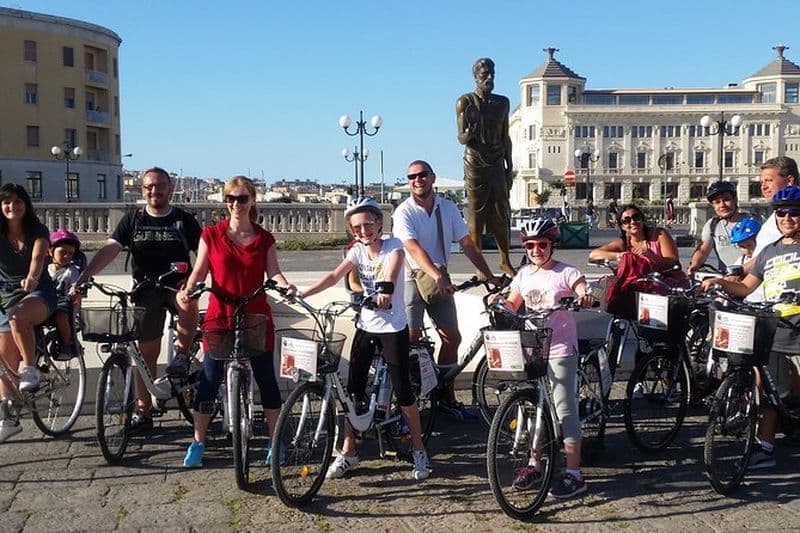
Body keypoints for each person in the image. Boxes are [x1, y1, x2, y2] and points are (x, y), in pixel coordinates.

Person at [298, 197, 431, 481]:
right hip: (366, 324)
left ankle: (419, 449)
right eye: (357, 227)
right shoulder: (358, 251)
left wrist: (386, 290)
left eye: (368, 224)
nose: (363, 231)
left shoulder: (393, 246)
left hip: (392, 327)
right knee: (352, 390)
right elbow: (336, 275)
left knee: (403, 390)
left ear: (379, 223)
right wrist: (303, 294)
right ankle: (348, 451)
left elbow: (392, 269)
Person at [179, 176, 296, 468]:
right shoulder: (211, 235)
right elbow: (199, 272)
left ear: (253, 200)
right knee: (209, 378)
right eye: (230, 198)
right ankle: (198, 442)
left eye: (242, 199)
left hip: (255, 313)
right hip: (221, 313)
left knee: (266, 379)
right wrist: (188, 291)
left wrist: (286, 286)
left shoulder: (264, 238)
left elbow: (274, 273)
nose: (236, 204)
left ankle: (274, 441)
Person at [74, 167, 202, 432]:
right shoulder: (133, 220)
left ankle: (181, 356)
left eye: (160, 186)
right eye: (149, 187)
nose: (155, 191)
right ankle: (143, 411)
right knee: (146, 355)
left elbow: (203, 254)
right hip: (145, 290)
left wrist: (193, 283)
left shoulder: (184, 220)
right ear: (142, 190)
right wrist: (86, 274)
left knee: (188, 303)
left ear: (170, 188)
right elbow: (111, 249)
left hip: (177, 286)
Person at [492, 218, 594, 498]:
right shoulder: (524, 274)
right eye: (529, 245)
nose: (536, 249)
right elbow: (513, 304)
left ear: (552, 245)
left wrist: (584, 296)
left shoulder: (565, 272)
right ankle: (535, 464)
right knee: (533, 407)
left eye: (542, 244)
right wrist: (499, 302)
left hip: (560, 349)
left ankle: (575, 473)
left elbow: (583, 288)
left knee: (564, 408)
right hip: (532, 348)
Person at [701, 185, 800, 467]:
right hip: (777, 332)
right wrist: (720, 283)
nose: (787, 218)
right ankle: (765, 447)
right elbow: (745, 287)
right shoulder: (769, 251)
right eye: (781, 213)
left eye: (794, 212)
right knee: (771, 395)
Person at [393, 160, 499, 421]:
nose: (417, 180)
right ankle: (406, 399)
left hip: (439, 278)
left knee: (452, 337)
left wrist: (487, 273)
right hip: (410, 278)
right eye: (412, 176)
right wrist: (438, 275)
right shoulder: (404, 212)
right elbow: (413, 247)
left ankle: (445, 396)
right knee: (410, 339)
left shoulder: (447, 207)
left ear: (432, 178)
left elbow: (466, 242)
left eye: (422, 175)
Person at [0, 183, 57, 442]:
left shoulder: (38, 230)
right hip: (5, 296)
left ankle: (31, 367)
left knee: (18, 317)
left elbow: (37, 259)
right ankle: (9, 418)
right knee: (4, 362)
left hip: (38, 293)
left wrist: (32, 278)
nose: (13, 206)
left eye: (18, 201)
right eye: (7, 202)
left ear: (26, 204)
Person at [456, 58, 515, 276]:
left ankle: (505, 260)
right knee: (475, 215)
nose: (489, 78)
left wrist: (510, 164)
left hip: (497, 161)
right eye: (484, 74)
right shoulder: (465, 102)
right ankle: (479, 266)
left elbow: (505, 135)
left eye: (491, 73)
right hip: (475, 163)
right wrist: (470, 132)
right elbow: (461, 138)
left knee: (501, 212)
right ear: (476, 77)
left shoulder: (503, 103)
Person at [589, 204, 687, 319]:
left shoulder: (659, 235)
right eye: (627, 220)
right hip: (639, 289)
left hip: (665, 287)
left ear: (642, 219)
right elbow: (594, 254)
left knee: (659, 329)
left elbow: (673, 263)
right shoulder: (624, 242)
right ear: (622, 226)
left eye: (636, 217)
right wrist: (621, 255)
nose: (633, 222)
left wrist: (651, 256)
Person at [687, 181, 754, 275]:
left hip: (752, 278)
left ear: (735, 200)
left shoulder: (752, 222)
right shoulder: (713, 225)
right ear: (713, 206)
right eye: (717, 202)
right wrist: (694, 265)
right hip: (725, 279)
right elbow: (703, 250)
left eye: (726, 200)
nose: (722, 205)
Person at [751, 156, 798, 260]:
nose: (763, 187)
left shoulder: (791, 220)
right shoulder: (774, 217)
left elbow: (765, 258)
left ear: (789, 180)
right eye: (761, 183)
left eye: (769, 180)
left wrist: (740, 271)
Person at [47, 230, 83, 360]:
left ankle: (66, 344)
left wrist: (75, 288)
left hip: (63, 301)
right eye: (63, 252)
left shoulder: (71, 270)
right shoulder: (45, 268)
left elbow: (76, 284)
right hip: (45, 299)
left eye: (70, 253)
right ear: (50, 251)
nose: (67, 256)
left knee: (61, 316)